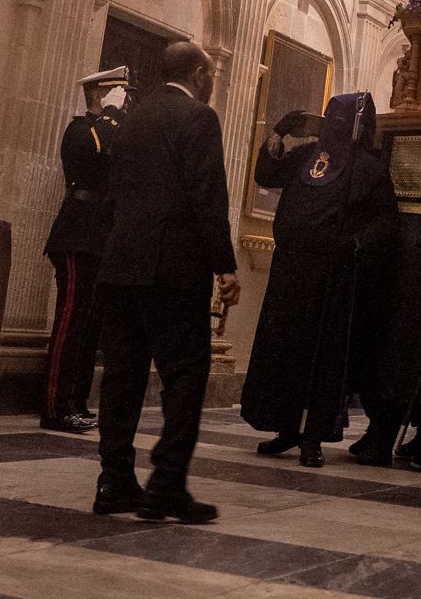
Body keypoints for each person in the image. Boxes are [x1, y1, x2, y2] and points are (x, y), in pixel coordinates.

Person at [93, 41, 240, 523]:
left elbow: (113, 192)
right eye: (212, 74)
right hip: (172, 271)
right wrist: (224, 265)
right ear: (199, 74)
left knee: (122, 376)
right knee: (185, 376)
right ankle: (167, 483)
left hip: (120, 266)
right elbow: (207, 195)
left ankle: (114, 481)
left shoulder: (130, 117)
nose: (212, 83)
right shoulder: (199, 118)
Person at [240, 93, 398, 468]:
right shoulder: (305, 156)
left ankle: (313, 438)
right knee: (284, 352)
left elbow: (385, 223)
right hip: (289, 272)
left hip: (331, 278)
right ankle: (286, 429)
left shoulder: (369, 169)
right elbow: (266, 175)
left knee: (321, 361)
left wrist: (353, 244)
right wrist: (279, 132)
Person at [41, 66, 129, 433]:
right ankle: (54, 407)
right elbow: (96, 148)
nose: (125, 102)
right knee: (70, 323)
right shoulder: (80, 129)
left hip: (100, 238)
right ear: (98, 95)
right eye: (119, 94)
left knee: (89, 327)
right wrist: (109, 114)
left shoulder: (113, 131)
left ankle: (76, 400)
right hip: (76, 236)